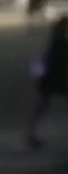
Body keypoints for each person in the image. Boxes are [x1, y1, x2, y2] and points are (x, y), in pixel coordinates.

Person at [25, 16, 67, 150]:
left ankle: (31, 133)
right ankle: (31, 133)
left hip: (51, 77)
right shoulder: (60, 44)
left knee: (42, 105)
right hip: (57, 77)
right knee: (42, 105)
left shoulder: (56, 43)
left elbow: (46, 60)